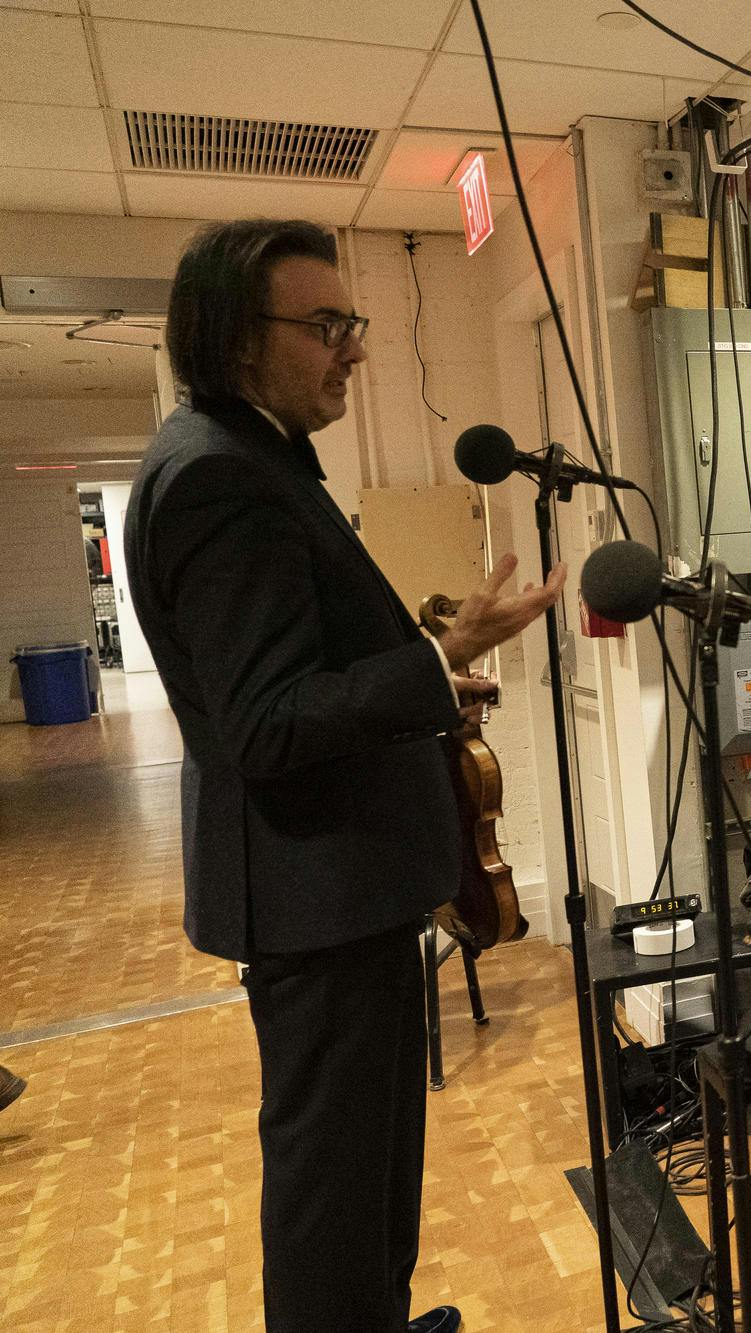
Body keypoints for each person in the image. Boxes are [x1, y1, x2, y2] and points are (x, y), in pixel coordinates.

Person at [125, 219, 564, 1333]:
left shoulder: (248, 455)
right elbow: (267, 723)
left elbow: (292, 683)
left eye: (352, 324)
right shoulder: (220, 479)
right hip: (314, 899)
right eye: (324, 326)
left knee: (368, 1165)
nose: (353, 350)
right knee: (332, 1183)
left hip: (336, 890)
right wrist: (437, 659)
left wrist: (424, 688)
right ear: (232, 337)